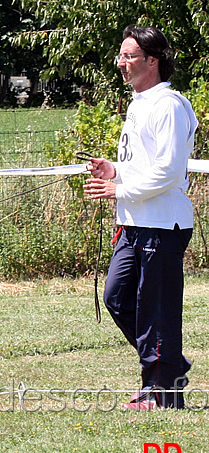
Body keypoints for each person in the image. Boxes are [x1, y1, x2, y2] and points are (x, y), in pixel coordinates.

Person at [84, 25, 198, 410]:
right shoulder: (138, 105)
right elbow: (146, 165)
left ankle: (161, 391)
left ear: (153, 60)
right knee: (117, 298)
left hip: (164, 225)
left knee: (156, 311)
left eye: (129, 55)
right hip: (134, 223)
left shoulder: (169, 105)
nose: (121, 63)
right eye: (121, 55)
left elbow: (168, 170)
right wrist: (115, 171)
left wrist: (121, 190)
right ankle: (171, 366)